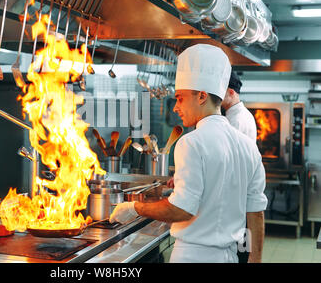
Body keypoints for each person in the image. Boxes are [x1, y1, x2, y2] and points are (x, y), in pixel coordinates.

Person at [110, 44, 268, 263]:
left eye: (180, 98)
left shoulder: (190, 143)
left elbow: (181, 209)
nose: (175, 107)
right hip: (229, 257)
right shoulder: (248, 146)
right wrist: (255, 259)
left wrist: (134, 208)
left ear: (202, 96)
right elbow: (256, 212)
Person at [221, 71, 259, 264]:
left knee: (240, 250)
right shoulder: (241, 115)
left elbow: (228, 163)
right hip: (240, 196)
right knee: (242, 249)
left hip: (238, 197)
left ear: (231, 92)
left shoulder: (235, 120)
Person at [221, 71, 257, 141]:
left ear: (231, 92)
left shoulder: (236, 120)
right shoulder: (243, 114)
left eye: (221, 92)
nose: (218, 95)